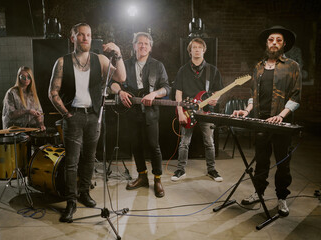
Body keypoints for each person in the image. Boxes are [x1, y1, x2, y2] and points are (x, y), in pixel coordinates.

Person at [48, 23, 126, 223]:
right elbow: (52, 92)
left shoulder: (99, 60)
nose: (85, 38)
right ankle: (71, 201)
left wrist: (118, 53)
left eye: (89, 35)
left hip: (93, 116)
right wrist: (66, 114)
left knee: (90, 159)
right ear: (73, 38)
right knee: (72, 162)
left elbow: (121, 77)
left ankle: (84, 193)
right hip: (73, 116)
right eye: (81, 35)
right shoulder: (62, 62)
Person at [233, 26, 302, 217]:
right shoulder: (258, 67)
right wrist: (246, 111)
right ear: (266, 43)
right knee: (261, 160)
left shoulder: (292, 66)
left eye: (278, 40)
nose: (274, 43)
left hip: (281, 123)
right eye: (271, 39)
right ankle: (259, 192)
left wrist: (281, 115)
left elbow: (296, 97)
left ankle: (282, 198)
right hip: (261, 121)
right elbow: (253, 95)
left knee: (283, 162)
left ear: (284, 44)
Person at [110, 32, 170, 198]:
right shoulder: (125, 64)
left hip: (150, 113)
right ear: (134, 45)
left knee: (153, 146)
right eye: (140, 43)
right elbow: (112, 83)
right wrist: (120, 92)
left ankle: (157, 179)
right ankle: (142, 176)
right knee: (135, 146)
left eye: (146, 44)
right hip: (131, 111)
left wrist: (155, 94)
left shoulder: (158, 66)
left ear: (150, 48)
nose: (143, 46)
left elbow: (167, 87)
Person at [172, 38, 223, 182]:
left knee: (209, 142)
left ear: (204, 50)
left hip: (205, 111)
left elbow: (218, 91)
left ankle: (212, 170)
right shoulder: (183, 70)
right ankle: (181, 170)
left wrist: (215, 99)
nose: (197, 49)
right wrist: (180, 111)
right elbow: (178, 93)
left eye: (199, 47)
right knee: (184, 143)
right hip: (187, 111)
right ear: (190, 51)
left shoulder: (212, 70)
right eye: (194, 47)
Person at [2, 66, 45, 131]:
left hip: (30, 128)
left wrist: (41, 124)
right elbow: (11, 114)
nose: (26, 79)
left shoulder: (32, 93)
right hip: (15, 129)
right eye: (23, 77)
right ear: (18, 77)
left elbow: (39, 112)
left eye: (28, 77)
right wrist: (27, 111)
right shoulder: (11, 92)